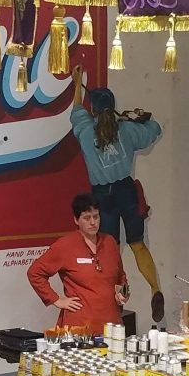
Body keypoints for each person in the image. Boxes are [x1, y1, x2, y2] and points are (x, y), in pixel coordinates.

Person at [70, 67, 164, 322]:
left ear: (94, 110)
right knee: (138, 245)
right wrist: (139, 119)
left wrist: (78, 82)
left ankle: (119, 300)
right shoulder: (126, 130)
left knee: (111, 251)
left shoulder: (86, 132)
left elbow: (76, 109)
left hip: (103, 198)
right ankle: (155, 289)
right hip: (126, 192)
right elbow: (155, 130)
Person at [27, 193, 129, 335]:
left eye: (96, 216)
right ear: (76, 220)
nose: (93, 222)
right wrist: (56, 300)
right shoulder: (65, 246)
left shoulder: (110, 242)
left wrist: (123, 293)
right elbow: (35, 272)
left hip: (111, 325)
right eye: (87, 218)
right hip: (79, 328)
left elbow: (120, 276)